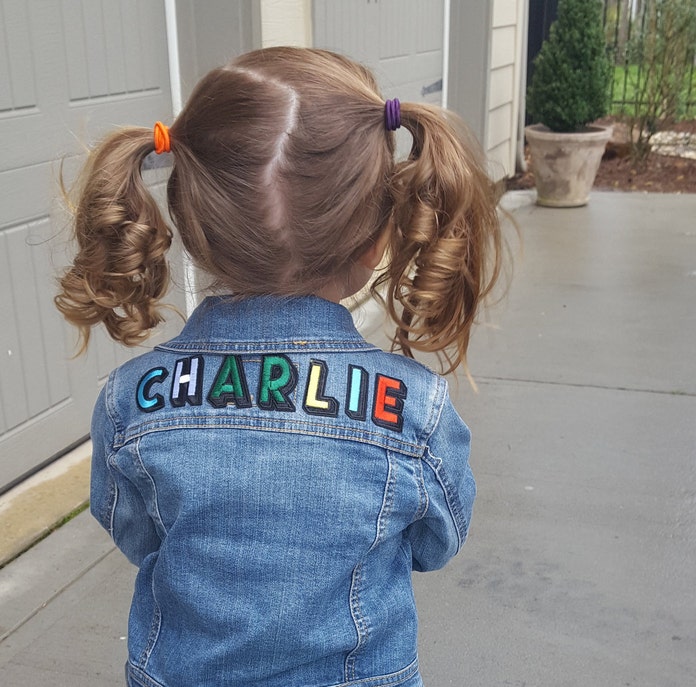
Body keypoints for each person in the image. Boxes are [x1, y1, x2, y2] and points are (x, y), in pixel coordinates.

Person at [56, 47, 503, 687]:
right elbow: (438, 541)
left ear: (188, 221)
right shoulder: (412, 406)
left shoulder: (133, 399)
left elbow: (135, 532)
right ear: (377, 236)